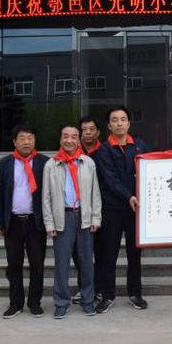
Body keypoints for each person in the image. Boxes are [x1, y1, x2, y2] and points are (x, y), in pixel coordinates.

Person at [42, 124, 102, 318]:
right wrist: (49, 224)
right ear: (60, 139)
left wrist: (95, 217)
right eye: (65, 136)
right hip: (63, 217)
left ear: (79, 140)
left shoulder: (87, 163)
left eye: (73, 137)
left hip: (84, 216)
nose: (69, 140)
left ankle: (87, 299)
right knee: (61, 263)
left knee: (86, 262)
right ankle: (61, 302)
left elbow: (95, 193)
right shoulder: (51, 164)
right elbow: (46, 197)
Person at [94, 106, 150, 312]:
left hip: (136, 210)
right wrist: (128, 196)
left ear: (128, 123)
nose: (119, 123)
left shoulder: (140, 146)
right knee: (108, 255)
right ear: (109, 126)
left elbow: (151, 172)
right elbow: (110, 179)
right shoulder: (103, 150)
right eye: (115, 120)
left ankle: (135, 293)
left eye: (123, 119)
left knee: (135, 254)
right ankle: (107, 295)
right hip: (112, 209)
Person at [0, 124, 50, 319]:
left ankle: (34, 302)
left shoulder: (45, 162)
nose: (27, 142)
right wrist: (0, 222)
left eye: (30, 138)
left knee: (37, 264)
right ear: (14, 142)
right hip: (13, 222)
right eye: (22, 138)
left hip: (36, 221)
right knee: (13, 265)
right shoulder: (4, 164)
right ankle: (15, 303)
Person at [71, 115, 103, 305]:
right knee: (79, 253)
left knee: (100, 252)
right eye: (84, 130)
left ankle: (98, 288)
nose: (88, 133)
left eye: (92, 129)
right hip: (78, 210)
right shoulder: (73, 154)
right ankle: (84, 287)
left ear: (98, 132)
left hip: (101, 208)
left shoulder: (105, 151)